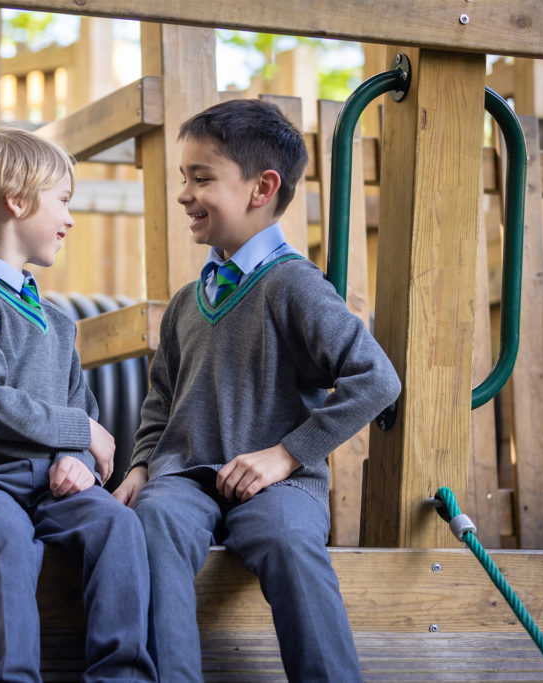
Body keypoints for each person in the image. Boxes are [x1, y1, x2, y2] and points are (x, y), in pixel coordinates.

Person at [112, 99, 402, 682]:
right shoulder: (184, 305)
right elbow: (160, 401)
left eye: (201, 178)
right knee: (152, 523)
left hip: (281, 483)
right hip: (186, 477)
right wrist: (142, 466)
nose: (184, 193)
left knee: (289, 540)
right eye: (183, 178)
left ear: (261, 188)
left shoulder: (295, 285)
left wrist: (286, 455)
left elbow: (377, 379)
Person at [0, 128, 157, 683]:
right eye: (63, 201)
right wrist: (83, 430)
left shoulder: (56, 319)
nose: (70, 219)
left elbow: (80, 403)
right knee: (4, 536)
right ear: (17, 201)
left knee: (118, 525)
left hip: (50, 485)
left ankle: (121, 677)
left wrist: (79, 453)